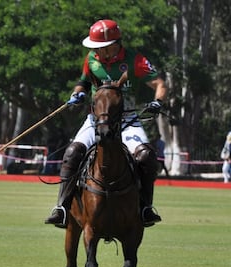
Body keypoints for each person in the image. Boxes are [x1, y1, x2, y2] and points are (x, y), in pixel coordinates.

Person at [44, 19, 166, 228]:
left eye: (98, 47)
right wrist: (78, 94)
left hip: (127, 120)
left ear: (113, 45)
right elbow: (82, 82)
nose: (95, 51)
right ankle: (62, 207)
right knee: (72, 152)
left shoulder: (134, 60)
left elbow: (159, 84)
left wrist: (157, 102)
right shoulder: (92, 59)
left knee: (146, 156)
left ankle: (145, 207)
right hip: (96, 120)